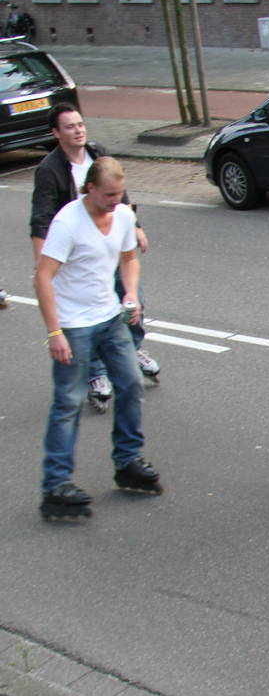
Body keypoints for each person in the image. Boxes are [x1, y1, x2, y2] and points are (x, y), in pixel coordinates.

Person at [34, 158, 161, 520]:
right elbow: (42, 278)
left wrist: (131, 293)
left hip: (109, 318)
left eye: (119, 193)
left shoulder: (122, 215)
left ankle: (127, 461)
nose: (115, 201)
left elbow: (129, 259)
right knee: (68, 403)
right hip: (73, 325)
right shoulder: (68, 222)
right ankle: (55, 486)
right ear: (89, 188)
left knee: (131, 385)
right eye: (108, 194)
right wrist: (54, 331)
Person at [31, 104, 157, 411]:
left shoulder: (97, 152)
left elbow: (120, 195)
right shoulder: (49, 169)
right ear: (56, 133)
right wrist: (43, 263)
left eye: (80, 124)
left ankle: (130, 351)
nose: (78, 130)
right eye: (70, 126)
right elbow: (42, 220)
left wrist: (135, 225)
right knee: (93, 316)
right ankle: (97, 374)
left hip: (110, 243)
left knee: (132, 300)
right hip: (79, 254)